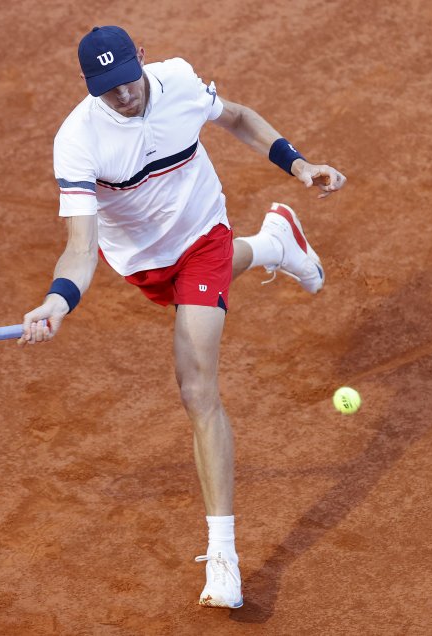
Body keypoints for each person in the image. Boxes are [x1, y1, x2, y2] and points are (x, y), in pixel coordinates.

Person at [20, 25, 346, 609]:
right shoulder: (78, 140)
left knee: (197, 390)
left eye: (127, 79)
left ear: (141, 59)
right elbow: (80, 246)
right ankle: (275, 243)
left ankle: (223, 557)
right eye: (107, 88)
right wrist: (57, 300)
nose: (123, 95)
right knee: (195, 295)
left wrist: (297, 165)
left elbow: (237, 118)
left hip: (202, 233)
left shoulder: (178, 81)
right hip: (141, 262)